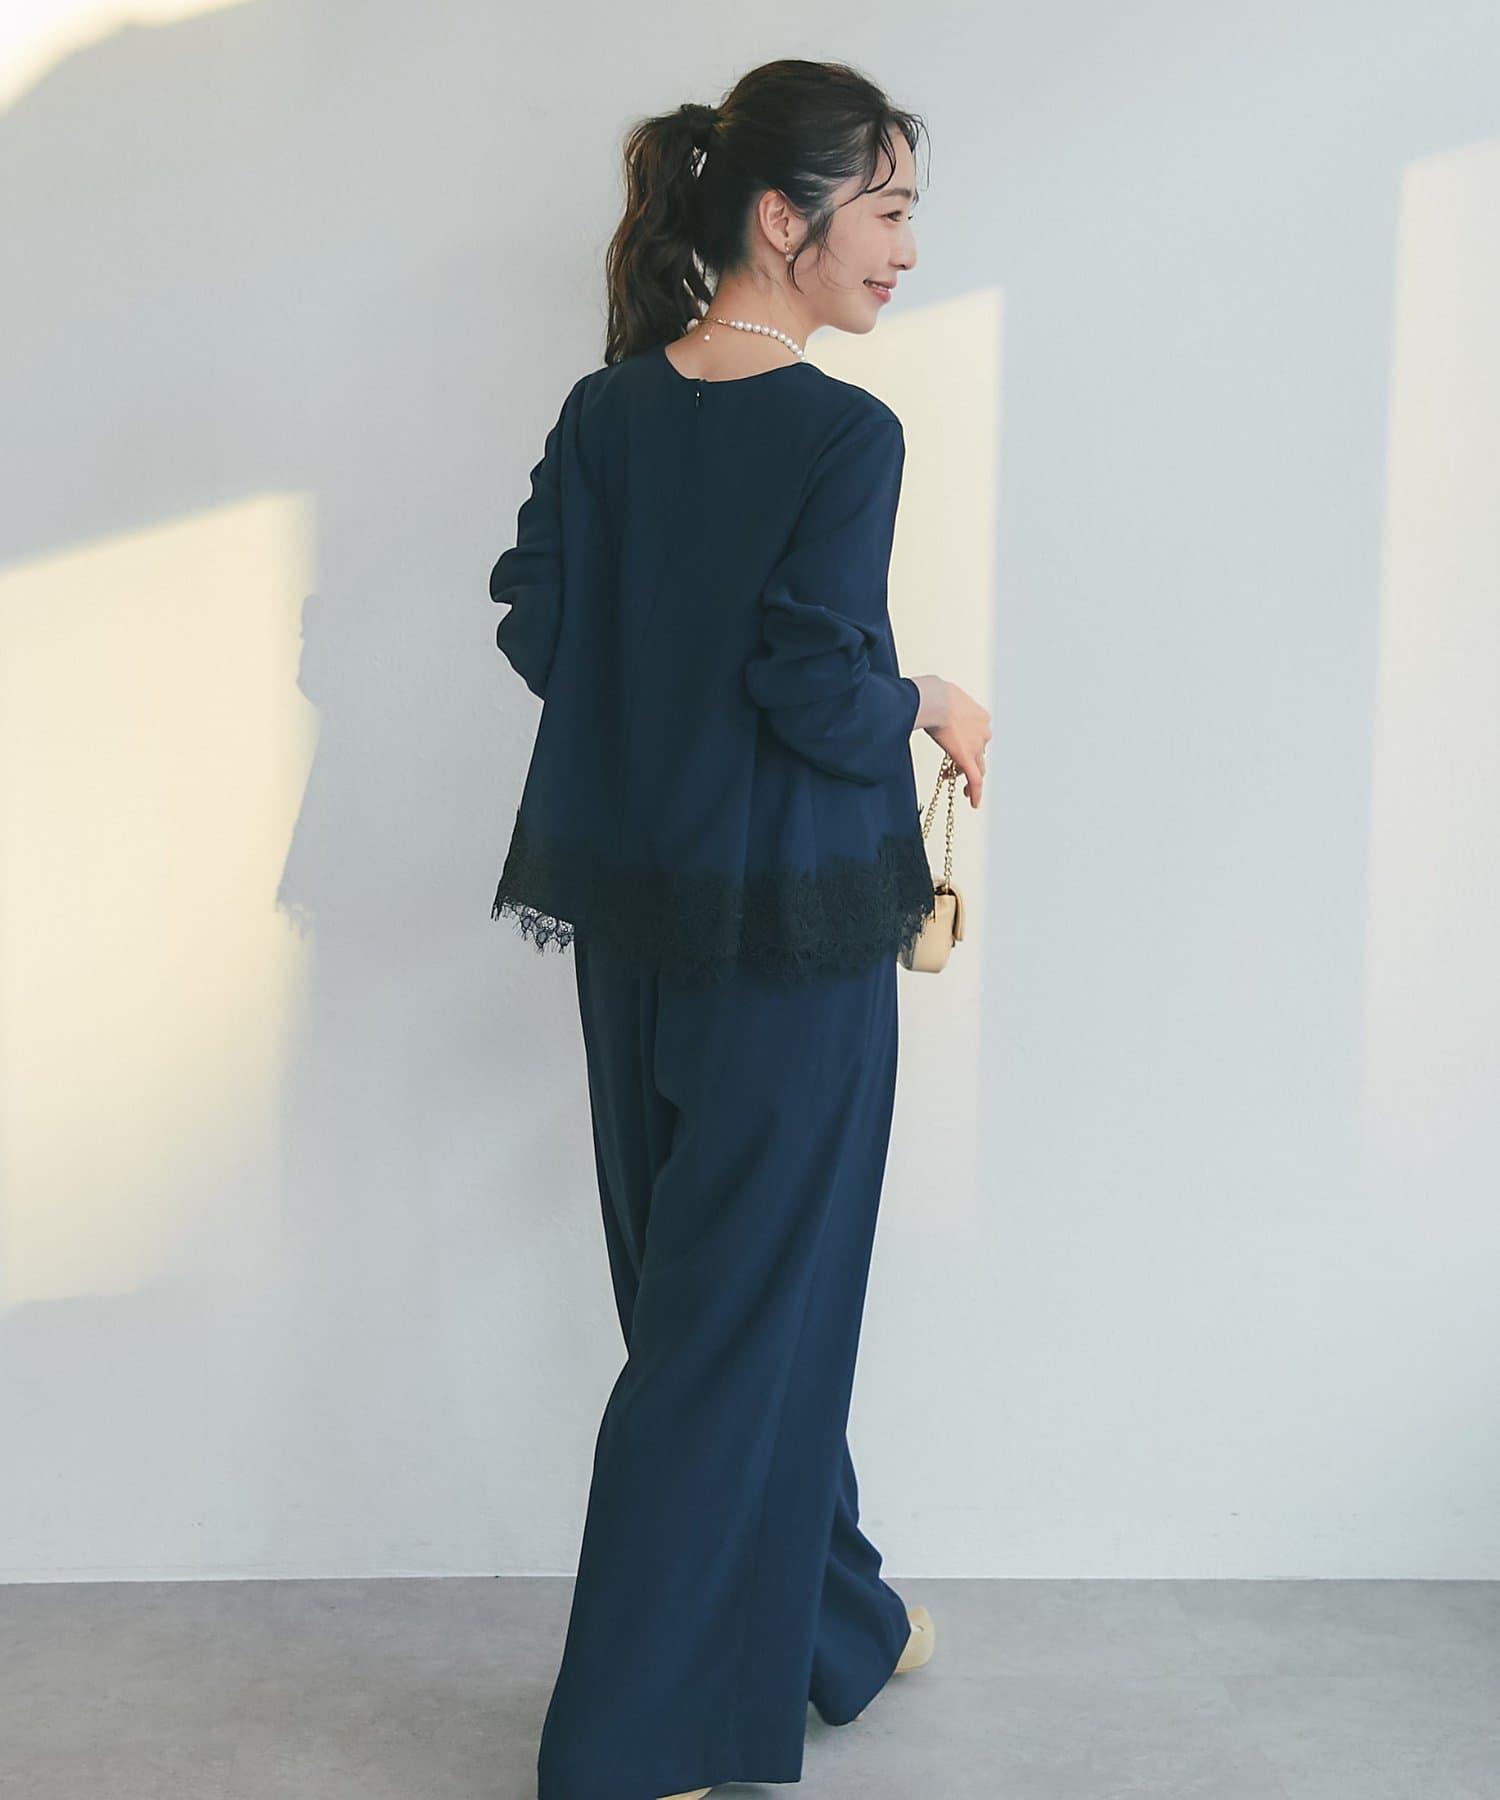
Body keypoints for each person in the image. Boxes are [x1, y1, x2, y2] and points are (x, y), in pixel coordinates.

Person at [486, 57, 991, 1800]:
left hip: (632, 926)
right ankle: (635, 1744)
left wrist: (667, 690)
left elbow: (538, 624)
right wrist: (930, 698)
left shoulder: (605, 412)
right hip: (792, 940)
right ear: (786, 217)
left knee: (707, 1310)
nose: (906, 249)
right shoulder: (846, 435)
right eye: (889, 211)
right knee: (739, 1324)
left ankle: (835, 1624)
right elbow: (816, 686)